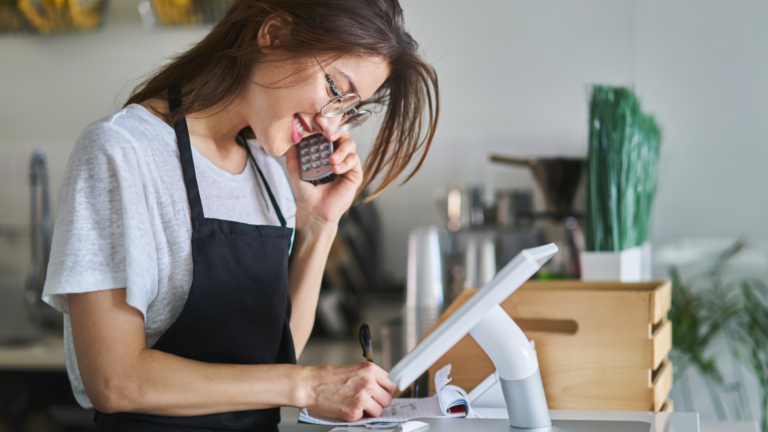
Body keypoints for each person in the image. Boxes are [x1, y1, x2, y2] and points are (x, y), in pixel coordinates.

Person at [41, 0, 439, 430]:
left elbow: (277, 351)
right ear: (274, 34)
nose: (330, 125)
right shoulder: (120, 152)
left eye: (347, 109)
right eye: (334, 90)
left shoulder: (269, 169)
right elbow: (114, 380)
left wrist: (321, 224)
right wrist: (305, 386)